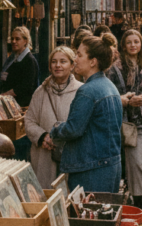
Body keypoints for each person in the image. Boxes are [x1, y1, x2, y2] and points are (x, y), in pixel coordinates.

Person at [49, 37, 123, 193]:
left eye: (79, 55)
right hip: (107, 166)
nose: (75, 59)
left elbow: (73, 129)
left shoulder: (87, 91)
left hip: (91, 169)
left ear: (93, 62)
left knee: (87, 215)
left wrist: (56, 128)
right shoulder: (109, 86)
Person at [109, 30, 142, 209]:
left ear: (141, 44)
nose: (133, 45)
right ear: (123, 45)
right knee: (132, 163)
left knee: (141, 162)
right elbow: (112, 93)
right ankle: (137, 199)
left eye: (136, 42)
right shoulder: (115, 68)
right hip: (125, 121)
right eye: (129, 42)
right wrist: (128, 101)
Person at [24, 47, 83, 187]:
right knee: (46, 196)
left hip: (71, 155)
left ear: (72, 65)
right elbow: (29, 121)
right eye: (54, 62)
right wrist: (42, 136)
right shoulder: (41, 91)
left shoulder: (81, 91)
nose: (58, 65)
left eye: (63, 61)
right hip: (45, 155)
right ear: (49, 67)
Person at [0, 26, 39, 108]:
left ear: (25, 41)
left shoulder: (29, 60)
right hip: (11, 103)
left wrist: (6, 94)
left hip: (22, 105)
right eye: (12, 39)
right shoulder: (12, 58)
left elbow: (26, 86)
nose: (13, 41)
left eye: (17, 39)